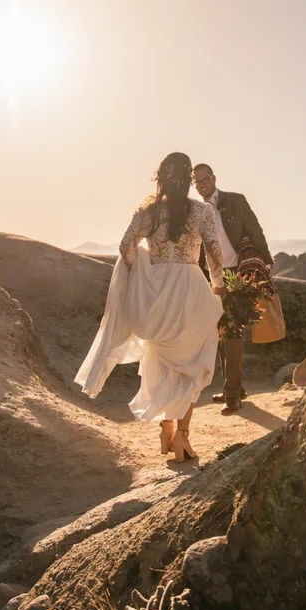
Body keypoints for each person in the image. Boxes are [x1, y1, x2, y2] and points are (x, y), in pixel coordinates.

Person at [74, 152, 226, 462]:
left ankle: (166, 429)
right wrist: (219, 286)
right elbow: (213, 250)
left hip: (156, 292)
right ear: (188, 180)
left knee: (161, 358)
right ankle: (182, 436)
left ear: (161, 178)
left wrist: (142, 270)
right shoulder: (201, 211)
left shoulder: (148, 211)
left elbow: (126, 244)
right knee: (193, 362)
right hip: (190, 288)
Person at [191, 163, 272, 414]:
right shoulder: (194, 210)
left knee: (232, 331)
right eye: (197, 181)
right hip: (212, 276)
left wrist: (267, 260)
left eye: (205, 179)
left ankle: (233, 394)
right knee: (221, 331)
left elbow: (254, 228)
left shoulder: (236, 201)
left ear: (214, 178)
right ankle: (232, 388)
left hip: (237, 272)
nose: (202, 184)